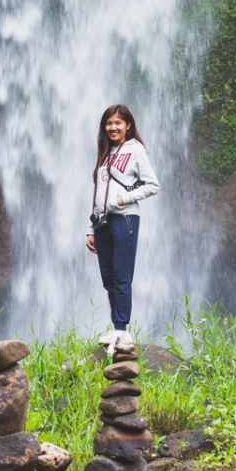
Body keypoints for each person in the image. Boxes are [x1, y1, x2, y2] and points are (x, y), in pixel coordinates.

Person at [85, 103, 160, 351]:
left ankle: (121, 331)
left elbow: (153, 185)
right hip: (102, 223)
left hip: (125, 218)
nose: (113, 127)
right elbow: (97, 191)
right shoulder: (105, 152)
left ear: (128, 125)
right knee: (108, 278)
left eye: (118, 122)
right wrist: (89, 228)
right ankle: (116, 328)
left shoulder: (135, 150)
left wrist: (123, 199)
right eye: (109, 123)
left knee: (121, 275)